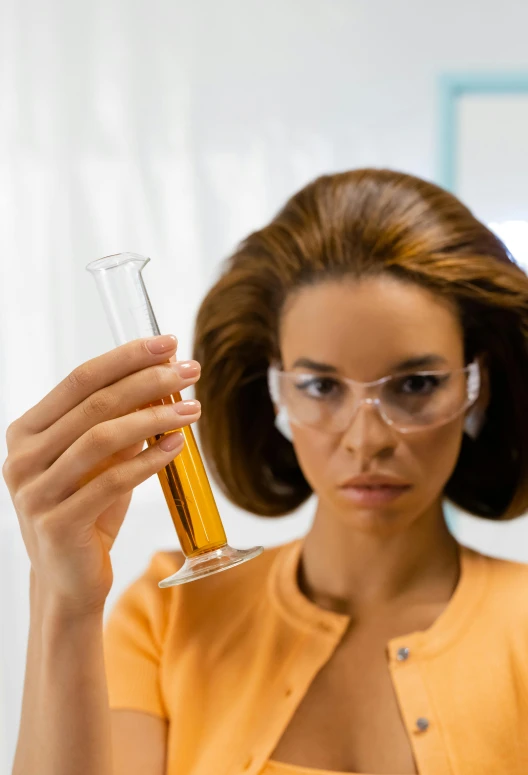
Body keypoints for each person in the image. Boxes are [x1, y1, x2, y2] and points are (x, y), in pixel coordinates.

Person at [5, 169, 528, 775]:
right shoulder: (170, 620)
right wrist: (63, 602)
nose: (367, 441)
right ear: (270, 388)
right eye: (319, 385)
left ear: (477, 383)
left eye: (416, 384)